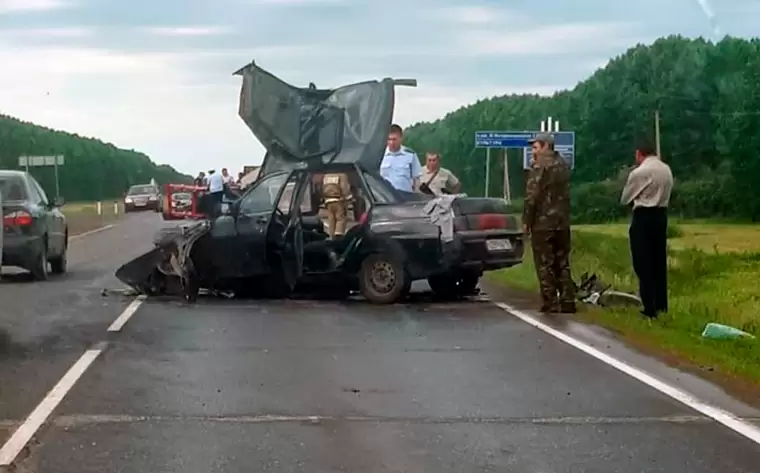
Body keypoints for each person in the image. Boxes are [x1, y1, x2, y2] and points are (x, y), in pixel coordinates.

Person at [620, 137, 674, 319]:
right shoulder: (666, 169)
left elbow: (626, 198)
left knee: (643, 262)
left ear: (639, 154)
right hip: (661, 215)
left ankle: (648, 306)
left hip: (643, 216)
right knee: (659, 261)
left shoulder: (639, 172)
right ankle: (661, 304)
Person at [523, 133, 576, 314]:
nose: (533, 151)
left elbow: (532, 196)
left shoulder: (539, 166)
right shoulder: (563, 164)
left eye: (535, 147)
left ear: (546, 146)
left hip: (543, 222)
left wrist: (526, 221)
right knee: (562, 261)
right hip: (562, 221)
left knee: (544, 263)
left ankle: (550, 301)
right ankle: (568, 300)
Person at [380, 124, 422, 194]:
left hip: (406, 198)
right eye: (389, 139)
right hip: (386, 198)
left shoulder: (410, 155)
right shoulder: (380, 155)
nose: (392, 142)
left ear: (401, 138)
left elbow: (416, 179)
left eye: (394, 139)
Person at [321, 172, 352, 239]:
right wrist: (348, 197)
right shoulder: (342, 175)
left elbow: (323, 187)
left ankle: (331, 235)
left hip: (328, 200)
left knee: (331, 218)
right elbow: (344, 188)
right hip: (338, 200)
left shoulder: (326, 176)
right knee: (340, 218)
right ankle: (338, 235)